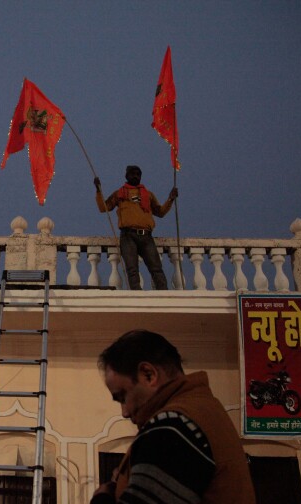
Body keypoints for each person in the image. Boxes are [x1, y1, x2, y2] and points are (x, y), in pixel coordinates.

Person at [91, 330, 255, 504]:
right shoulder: (201, 410)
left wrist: (102, 497)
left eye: (123, 397)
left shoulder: (172, 427)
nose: (124, 412)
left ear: (149, 374)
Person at [94, 165, 178, 290]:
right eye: (132, 173)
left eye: (138, 174)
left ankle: (164, 294)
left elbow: (160, 212)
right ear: (126, 176)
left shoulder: (148, 195)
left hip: (146, 236)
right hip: (128, 236)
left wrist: (171, 199)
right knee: (132, 269)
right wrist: (98, 190)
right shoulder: (120, 194)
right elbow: (103, 207)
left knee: (156, 268)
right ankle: (136, 294)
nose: (135, 176)